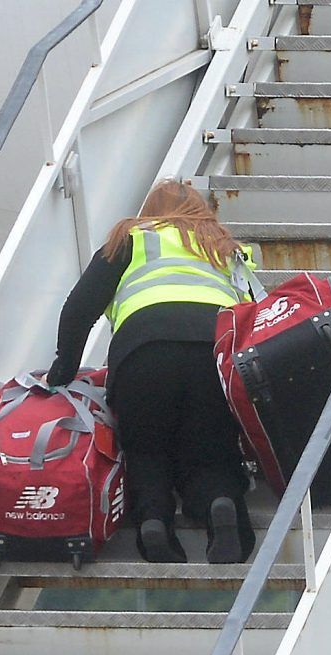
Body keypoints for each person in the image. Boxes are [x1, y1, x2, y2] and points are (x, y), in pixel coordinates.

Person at [46, 179, 258, 564]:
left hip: (141, 354)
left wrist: (62, 372)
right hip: (213, 349)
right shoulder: (227, 248)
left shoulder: (130, 239)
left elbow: (78, 309)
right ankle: (220, 505)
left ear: (149, 212)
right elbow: (260, 316)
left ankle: (153, 523)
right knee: (211, 446)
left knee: (146, 447)